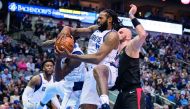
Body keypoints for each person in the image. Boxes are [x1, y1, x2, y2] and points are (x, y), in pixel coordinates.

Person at [56, 9, 122, 109]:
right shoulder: (95, 29)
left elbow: (97, 58)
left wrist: (71, 56)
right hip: (91, 72)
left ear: (109, 19)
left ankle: (105, 104)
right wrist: (66, 28)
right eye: (98, 17)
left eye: (101, 18)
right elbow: (75, 31)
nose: (98, 20)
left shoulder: (112, 35)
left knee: (99, 68)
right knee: (86, 106)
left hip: (107, 71)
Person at [36, 36, 87, 109]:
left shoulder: (76, 57)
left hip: (75, 91)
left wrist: (58, 59)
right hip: (67, 83)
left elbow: (58, 78)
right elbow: (43, 46)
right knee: (50, 88)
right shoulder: (66, 44)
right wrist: (56, 42)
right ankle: (39, 107)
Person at [113, 4, 148, 109]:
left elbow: (142, 34)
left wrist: (131, 15)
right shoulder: (116, 53)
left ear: (128, 36)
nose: (117, 33)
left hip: (132, 93)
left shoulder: (130, 46)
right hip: (122, 93)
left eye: (121, 31)